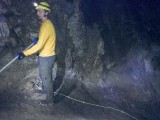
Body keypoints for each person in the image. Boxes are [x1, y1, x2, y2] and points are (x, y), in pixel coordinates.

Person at [18, 1, 56, 103]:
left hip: (46, 57)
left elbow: (39, 46)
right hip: (44, 55)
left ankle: (50, 100)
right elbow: (43, 40)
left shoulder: (46, 26)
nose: (37, 13)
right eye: (37, 11)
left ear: (46, 13)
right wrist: (38, 39)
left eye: (40, 11)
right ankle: (45, 91)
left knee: (47, 78)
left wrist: (24, 53)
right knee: (43, 75)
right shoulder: (45, 24)